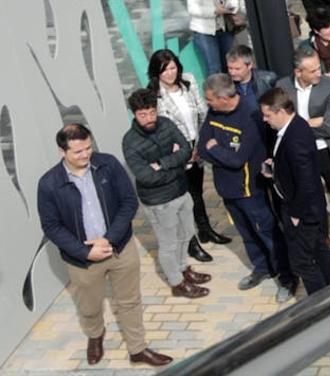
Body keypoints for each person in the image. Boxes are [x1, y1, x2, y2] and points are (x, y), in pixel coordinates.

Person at [38, 124, 174, 367]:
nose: (86, 155)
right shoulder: (49, 184)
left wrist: (109, 239)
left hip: (120, 248)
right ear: (62, 152)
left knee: (129, 301)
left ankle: (138, 349)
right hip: (82, 260)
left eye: (89, 148)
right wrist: (85, 251)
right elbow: (52, 227)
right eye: (78, 151)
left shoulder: (108, 165)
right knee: (89, 307)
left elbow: (128, 202)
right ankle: (95, 335)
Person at [199, 74, 297, 302]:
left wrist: (215, 149)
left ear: (223, 98)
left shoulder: (250, 115)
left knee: (268, 233)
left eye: (209, 99)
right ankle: (262, 268)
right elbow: (202, 148)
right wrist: (218, 151)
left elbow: (238, 160)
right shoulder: (213, 113)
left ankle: (287, 276)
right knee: (246, 233)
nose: (207, 103)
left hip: (250, 190)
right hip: (226, 189)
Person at [122, 90, 209, 299]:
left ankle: (183, 268)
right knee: (169, 243)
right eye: (143, 114)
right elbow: (146, 177)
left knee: (187, 233)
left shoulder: (166, 124)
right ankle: (177, 283)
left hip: (181, 191)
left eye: (152, 112)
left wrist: (162, 164)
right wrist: (177, 164)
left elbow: (186, 151)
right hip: (158, 202)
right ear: (134, 114)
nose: (149, 118)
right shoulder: (130, 142)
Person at [279, 45, 330, 269]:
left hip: (328, 151)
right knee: (314, 199)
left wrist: (296, 123)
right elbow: (280, 124)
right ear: (298, 72)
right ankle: (322, 238)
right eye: (313, 71)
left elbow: (329, 128)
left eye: (318, 68)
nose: (318, 74)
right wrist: (311, 122)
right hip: (301, 154)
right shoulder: (282, 87)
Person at [146, 49, 228, 261]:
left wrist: (200, 145)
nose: (170, 74)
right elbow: (159, 129)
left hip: (196, 144)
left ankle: (205, 230)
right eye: (164, 70)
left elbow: (203, 112)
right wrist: (182, 151)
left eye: (172, 68)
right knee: (184, 198)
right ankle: (191, 242)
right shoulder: (153, 94)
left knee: (197, 193)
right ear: (156, 73)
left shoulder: (188, 82)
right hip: (176, 151)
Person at [258, 88, 330, 295]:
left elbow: (306, 182)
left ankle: (321, 305)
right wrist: (276, 168)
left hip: (302, 211)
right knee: (320, 250)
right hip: (306, 208)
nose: (264, 119)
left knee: (302, 262)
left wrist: (295, 213)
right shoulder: (296, 125)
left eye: (267, 115)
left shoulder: (294, 138)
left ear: (280, 112)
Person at [186, 0, 241, 76]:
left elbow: (234, 0)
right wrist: (214, 10)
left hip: (225, 28)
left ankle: (230, 93)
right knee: (214, 68)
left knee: (230, 65)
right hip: (204, 31)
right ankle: (216, 95)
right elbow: (192, 8)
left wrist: (231, 7)